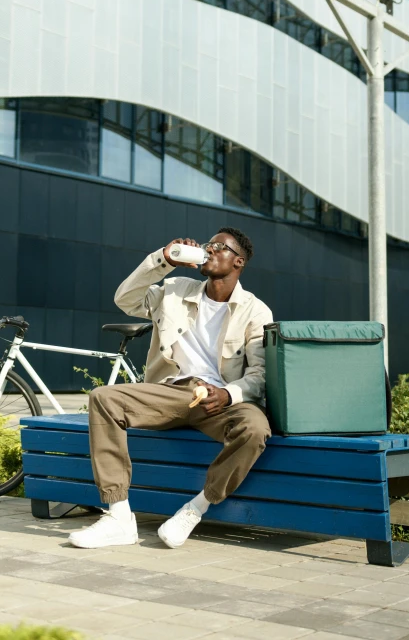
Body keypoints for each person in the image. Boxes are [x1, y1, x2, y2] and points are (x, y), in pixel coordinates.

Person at [69, 227, 273, 550]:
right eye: (209, 243)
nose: (209, 249)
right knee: (103, 398)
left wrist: (228, 394)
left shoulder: (255, 310)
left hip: (221, 400)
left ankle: (195, 509)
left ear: (238, 263)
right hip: (172, 392)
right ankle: (119, 517)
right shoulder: (176, 289)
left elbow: (260, 375)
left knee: (256, 427)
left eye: (220, 247)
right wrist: (163, 260)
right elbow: (125, 299)